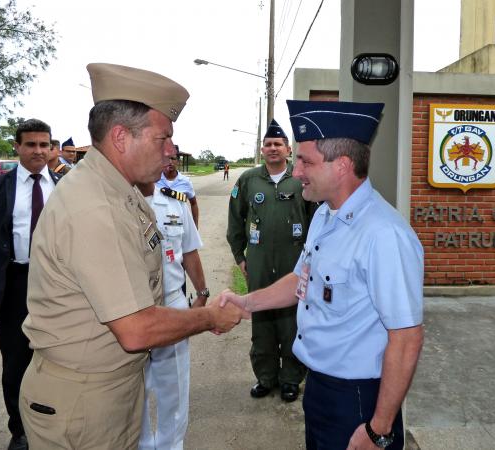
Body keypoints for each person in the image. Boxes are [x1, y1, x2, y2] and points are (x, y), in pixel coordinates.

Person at [19, 63, 243, 450]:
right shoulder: (96, 208)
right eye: (163, 139)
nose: (171, 150)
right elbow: (136, 328)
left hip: (106, 391)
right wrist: (209, 316)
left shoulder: (120, 192)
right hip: (85, 405)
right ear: (121, 137)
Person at [222, 100, 425, 450]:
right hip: (319, 387)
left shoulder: (384, 235)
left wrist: (378, 429)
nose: (296, 171)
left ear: (342, 166)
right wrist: (246, 302)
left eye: (305, 161)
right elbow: (301, 279)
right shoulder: (325, 216)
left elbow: (406, 339)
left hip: (359, 399)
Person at [0, 119, 60, 450]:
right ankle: (19, 430)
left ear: (51, 148)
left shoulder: (65, 187)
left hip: (58, 286)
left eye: (44, 145)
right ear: (17, 147)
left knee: (58, 357)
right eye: (31, 144)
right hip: (15, 283)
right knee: (16, 360)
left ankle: (53, 422)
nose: (38, 151)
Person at [226, 118, 312, 403]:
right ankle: (265, 377)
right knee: (261, 320)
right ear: (262, 150)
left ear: (288, 149)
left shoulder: (301, 181)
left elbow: (317, 223)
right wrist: (240, 258)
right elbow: (235, 222)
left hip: (295, 264)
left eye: (278, 144)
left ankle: (290, 379)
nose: (273, 148)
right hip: (260, 263)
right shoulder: (248, 180)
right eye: (268, 144)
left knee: (292, 323)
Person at [136, 180, 208, 450]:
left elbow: (189, 251)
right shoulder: (117, 199)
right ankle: (140, 444)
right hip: (132, 310)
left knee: (175, 388)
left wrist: (202, 292)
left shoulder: (176, 201)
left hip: (173, 304)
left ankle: (170, 445)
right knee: (133, 389)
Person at [156, 145, 199, 227]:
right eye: (167, 158)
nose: (170, 162)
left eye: (173, 158)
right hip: (160, 228)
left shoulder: (185, 182)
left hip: (180, 227)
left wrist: (195, 226)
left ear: (178, 161)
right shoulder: (155, 180)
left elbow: (194, 204)